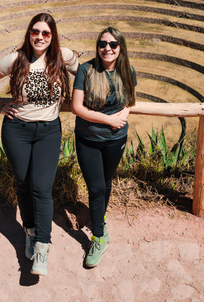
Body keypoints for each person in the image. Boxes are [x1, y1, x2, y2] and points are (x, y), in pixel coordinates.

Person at [0, 12, 79, 276]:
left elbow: (85, 74)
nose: (40, 37)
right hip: (17, 130)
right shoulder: (16, 59)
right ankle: (30, 231)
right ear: (29, 33)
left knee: (42, 187)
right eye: (35, 32)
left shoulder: (64, 57)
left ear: (52, 36)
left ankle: (42, 247)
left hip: (48, 131)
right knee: (23, 183)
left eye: (46, 33)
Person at [71, 27, 136, 268]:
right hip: (88, 138)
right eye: (102, 44)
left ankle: (100, 220)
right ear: (97, 46)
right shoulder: (86, 70)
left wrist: (124, 115)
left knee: (106, 183)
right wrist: (109, 120)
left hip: (116, 140)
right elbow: (77, 107)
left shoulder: (127, 71)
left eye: (112, 44)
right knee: (96, 187)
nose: (107, 48)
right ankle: (98, 238)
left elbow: (130, 99)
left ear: (120, 48)